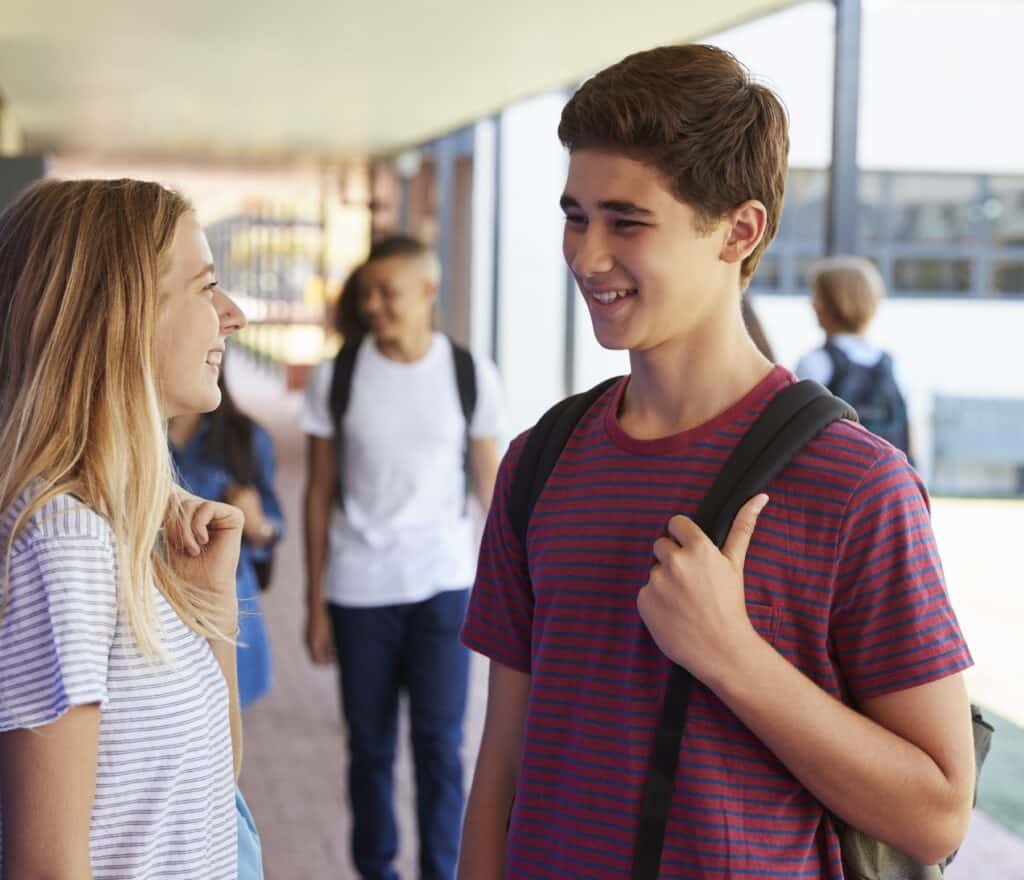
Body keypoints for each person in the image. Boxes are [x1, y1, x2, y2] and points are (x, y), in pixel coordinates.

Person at [458, 45, 975, 880]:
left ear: (740, 231)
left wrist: (733, 655)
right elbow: (502, 768)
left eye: (626, 221)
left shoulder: (854, 484)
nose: (586, 255)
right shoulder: (540, 463)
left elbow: (938, 815)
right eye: (575, 216)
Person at [0, 178, 250, 878]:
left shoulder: (123, 526)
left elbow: (211, 789)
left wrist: (211, 604)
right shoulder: (63, 541)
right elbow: (47, 867)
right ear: (120, 315)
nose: (232, 315)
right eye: (206, 288)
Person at [301, 235, 503, 880]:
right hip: (358, 589)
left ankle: (442, 870)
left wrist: (512, 596)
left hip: (444, 587)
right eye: (367, 294)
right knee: (369, 749)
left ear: (426, 291)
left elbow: (493, 493)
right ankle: (376, 869)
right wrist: (314, 605)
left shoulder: (469, 373)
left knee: (441, 747)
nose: (374, 306)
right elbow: (318, 492)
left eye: (388, 293)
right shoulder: (338, 376)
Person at [169, 365, 283, 709]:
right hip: (156, 610)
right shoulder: (129, 434)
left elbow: (272, 528)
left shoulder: (244, 437)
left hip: (226, 604)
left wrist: (256, 524)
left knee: (226, 717)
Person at [796, 256, 912, 456]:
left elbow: (795, 436)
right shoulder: (890, 365)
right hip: (884, 473)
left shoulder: (815, 364)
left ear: (829, 304)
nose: (811, 304)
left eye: (817, 297)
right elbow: (908, 432)